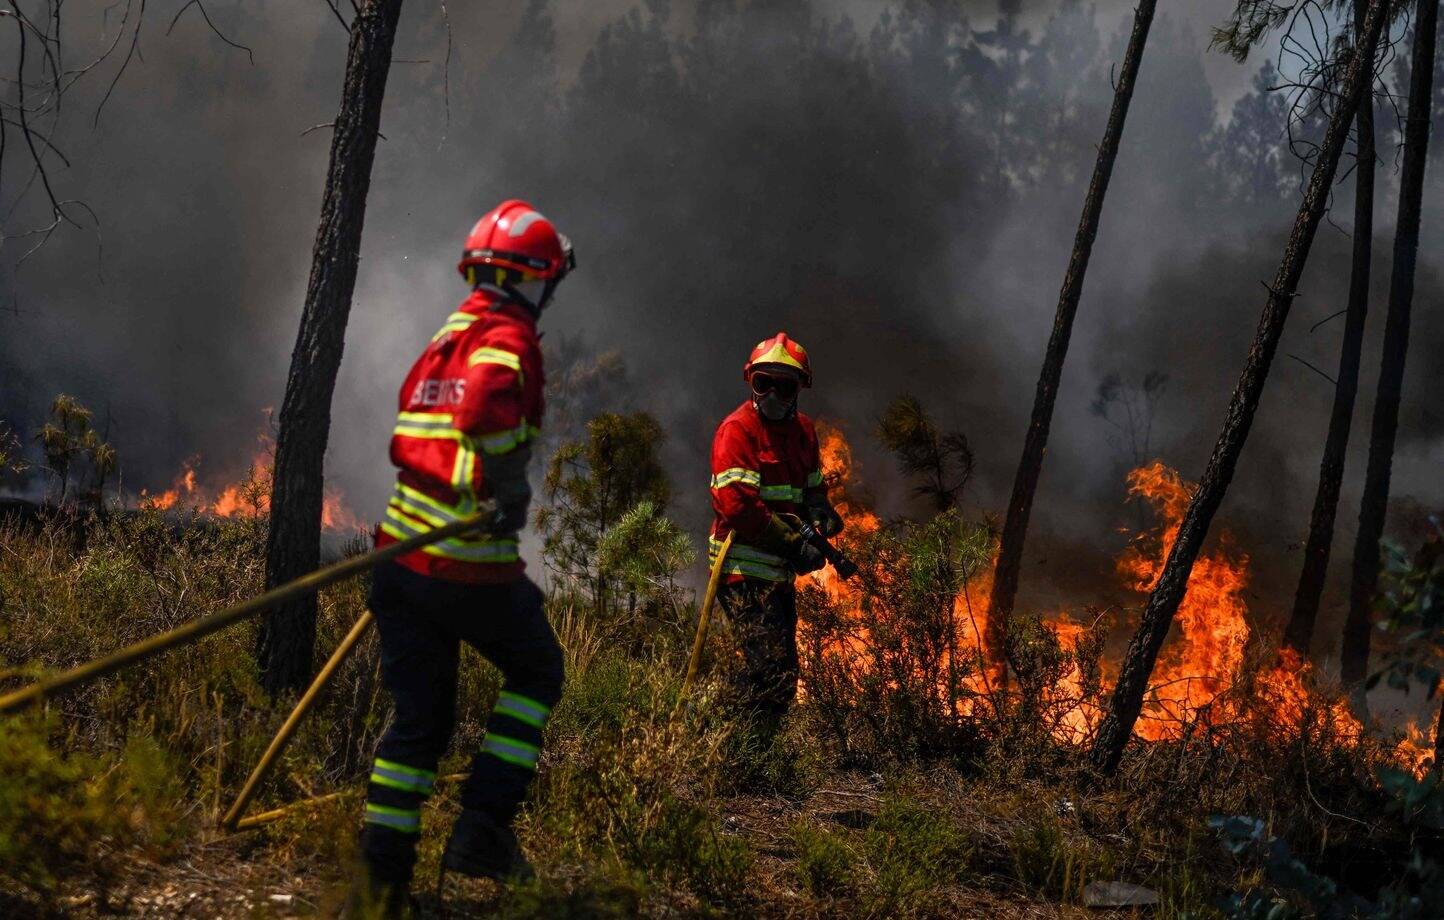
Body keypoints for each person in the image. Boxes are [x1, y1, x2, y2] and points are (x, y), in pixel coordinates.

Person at [356, 200, 574, 909]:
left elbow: (416, 418)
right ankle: (483, 826)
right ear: (528, 278)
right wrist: (509, 485)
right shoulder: (508, 334)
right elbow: (482, 412)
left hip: (399, 557)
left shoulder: (449, 335)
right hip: (461, 563)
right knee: (537, 669)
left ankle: (381, 889)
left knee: (419, 725)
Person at [707, 332, 844, 738]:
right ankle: (733, 743)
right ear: (750, 381)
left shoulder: (803, 431)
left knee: (780, 669)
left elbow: (812, 487)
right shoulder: (737, 430)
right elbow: (738, 507)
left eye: (783, 386)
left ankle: (744, 744)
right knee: (769, 668)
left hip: (778, 574)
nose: (772, 394)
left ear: (800, 388)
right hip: (741, 569)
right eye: (763, 383)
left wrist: (820, 510)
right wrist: (795, 546)